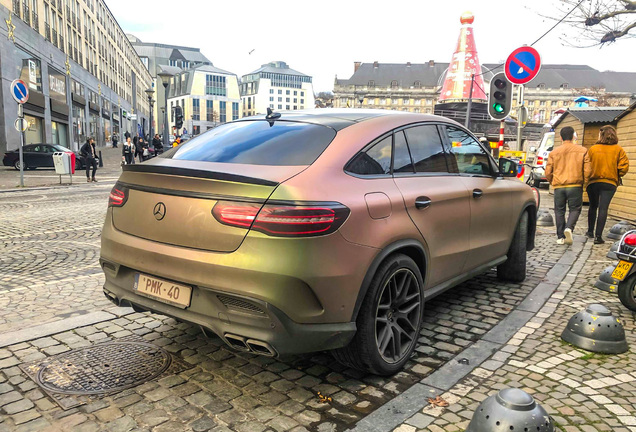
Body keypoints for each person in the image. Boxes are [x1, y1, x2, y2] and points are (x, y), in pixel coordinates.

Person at [545, 127, 591, 245]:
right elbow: (588, 170)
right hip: (575, 185)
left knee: (559, 211)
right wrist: (584, 182)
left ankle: (560, 237)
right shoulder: (582, 150)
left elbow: (548, 172)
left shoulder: (554, 152)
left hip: (559, 186)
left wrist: (553, 181)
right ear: (573, 136)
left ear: (560, 137)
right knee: (575, 209)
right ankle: (569, 228)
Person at [586, 125, 630, 244]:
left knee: (593, 206)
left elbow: (587, 165)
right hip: (609, 183)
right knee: (603, 208)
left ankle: (590, 231)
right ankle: (598, 236)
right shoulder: (618, 150)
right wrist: (617, 173)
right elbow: (624, 167)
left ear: (601, 135)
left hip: (593, 182)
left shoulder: (593, 149)